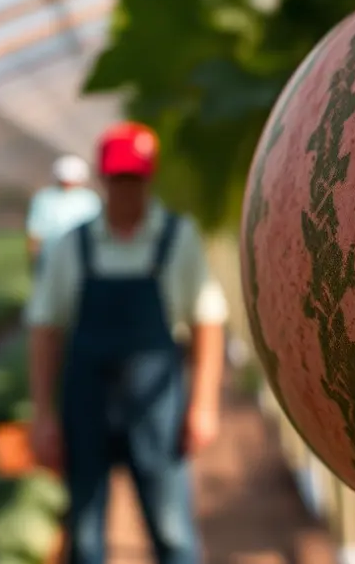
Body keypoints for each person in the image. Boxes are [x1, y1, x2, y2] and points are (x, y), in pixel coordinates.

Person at [24, 121, 228, 564]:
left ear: (148, 178)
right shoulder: (71, 245)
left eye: (134, 178)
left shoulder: (178, 238)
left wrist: (204, 404)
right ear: (103, 179)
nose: (126, 189)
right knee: (84, 530)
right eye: (118, 179)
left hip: (157, 404)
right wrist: (43, 415)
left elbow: (207, 321)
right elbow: (45, 329)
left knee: (172, 527)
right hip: (86, 403)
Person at [26, 154, 102, 274]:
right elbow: (35, 233)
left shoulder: (90, 199)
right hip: (50, 255)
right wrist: (34, 259)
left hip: (80, 256)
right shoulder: (43, 198)